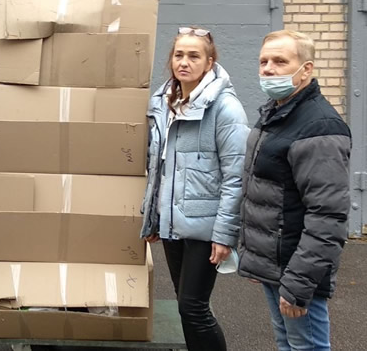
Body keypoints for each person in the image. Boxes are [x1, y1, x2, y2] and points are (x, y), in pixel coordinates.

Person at [239, 30, 351, 351]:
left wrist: (299, 283)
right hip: (278, 265)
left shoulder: (319, 126)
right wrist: (256, 256)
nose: (268, 69)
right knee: (287, 343)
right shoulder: (276, 114)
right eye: (263, 61)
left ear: (306, 69)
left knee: (307, 347)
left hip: (297, 270)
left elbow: (327, 216)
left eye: (280, 61)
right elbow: (261, 190)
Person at [140, 26, 250, 351]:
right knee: (185, 306)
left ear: (209, 62)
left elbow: (236, 176)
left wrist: (224, 234)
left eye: (193, 56)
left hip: (206, 226)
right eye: (179, 55)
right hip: (173, 222)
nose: (184, 62)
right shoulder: (163, 103)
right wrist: (154, 217)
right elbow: (158, 166)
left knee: (193, 308)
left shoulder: (225, 108)